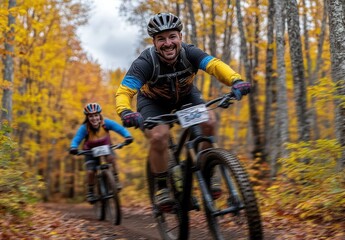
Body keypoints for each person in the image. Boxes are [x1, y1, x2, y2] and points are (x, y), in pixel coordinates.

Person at [115, 13, 251, 210]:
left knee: (209, 122)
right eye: (161, 39)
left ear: (180, 37)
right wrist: (125, 111)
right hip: (153, 103)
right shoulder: (145, 62)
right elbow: (124, 91)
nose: (168, 43)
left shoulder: (190, 52)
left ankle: (208, 170)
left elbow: (214, 65)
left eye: (172, 37)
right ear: (154, 42)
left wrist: (236, 80)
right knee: (159, 136)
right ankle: (162, 185)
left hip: (186, 96)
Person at [69, 103, 133, 202]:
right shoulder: (84, 128)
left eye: (96, 115)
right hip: (89, 151)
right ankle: (90, 191)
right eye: (91, 116)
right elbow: (76, 139)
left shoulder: (106, 123)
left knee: (112, 159)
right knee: (91, 171)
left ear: (100, 115)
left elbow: (119, 128)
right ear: (87, 117)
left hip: (106, 148)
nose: (94, 118)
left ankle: (115, 180)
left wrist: (127, 136)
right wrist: (73, 147)